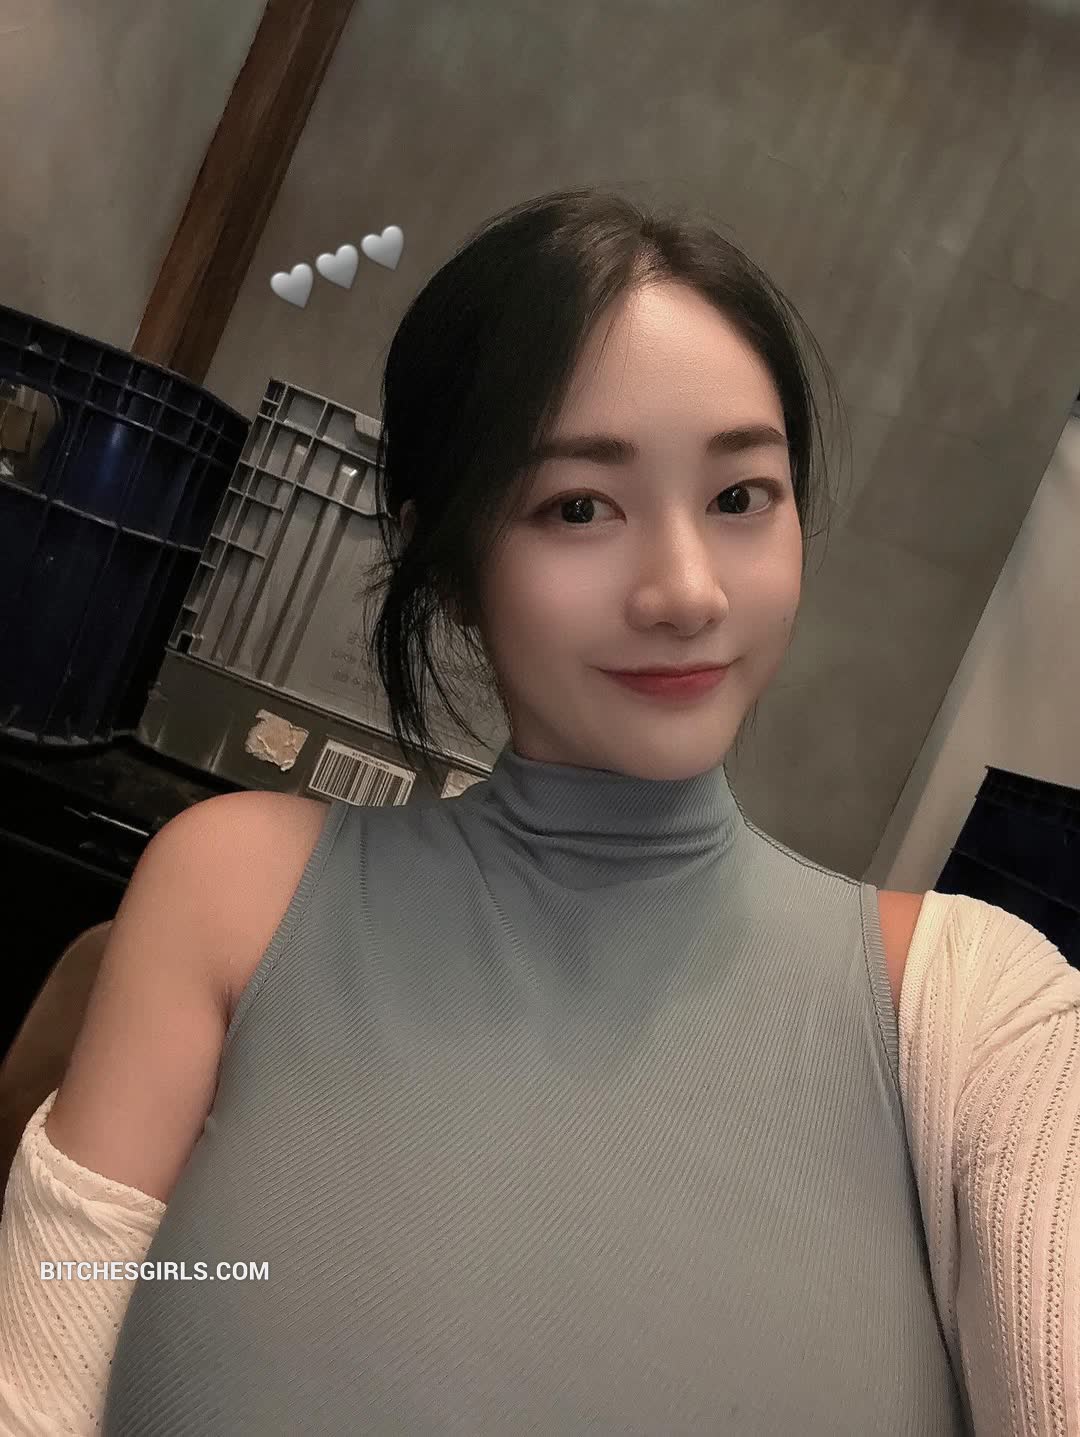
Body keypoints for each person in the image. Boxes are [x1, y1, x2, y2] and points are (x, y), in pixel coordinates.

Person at [1, 187, 1077, 1435]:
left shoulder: (972, 1013)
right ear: (451, 567)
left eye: (741, 497)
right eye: (579, 507)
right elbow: (48, 1367)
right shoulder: (231, 890)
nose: (686, 592)